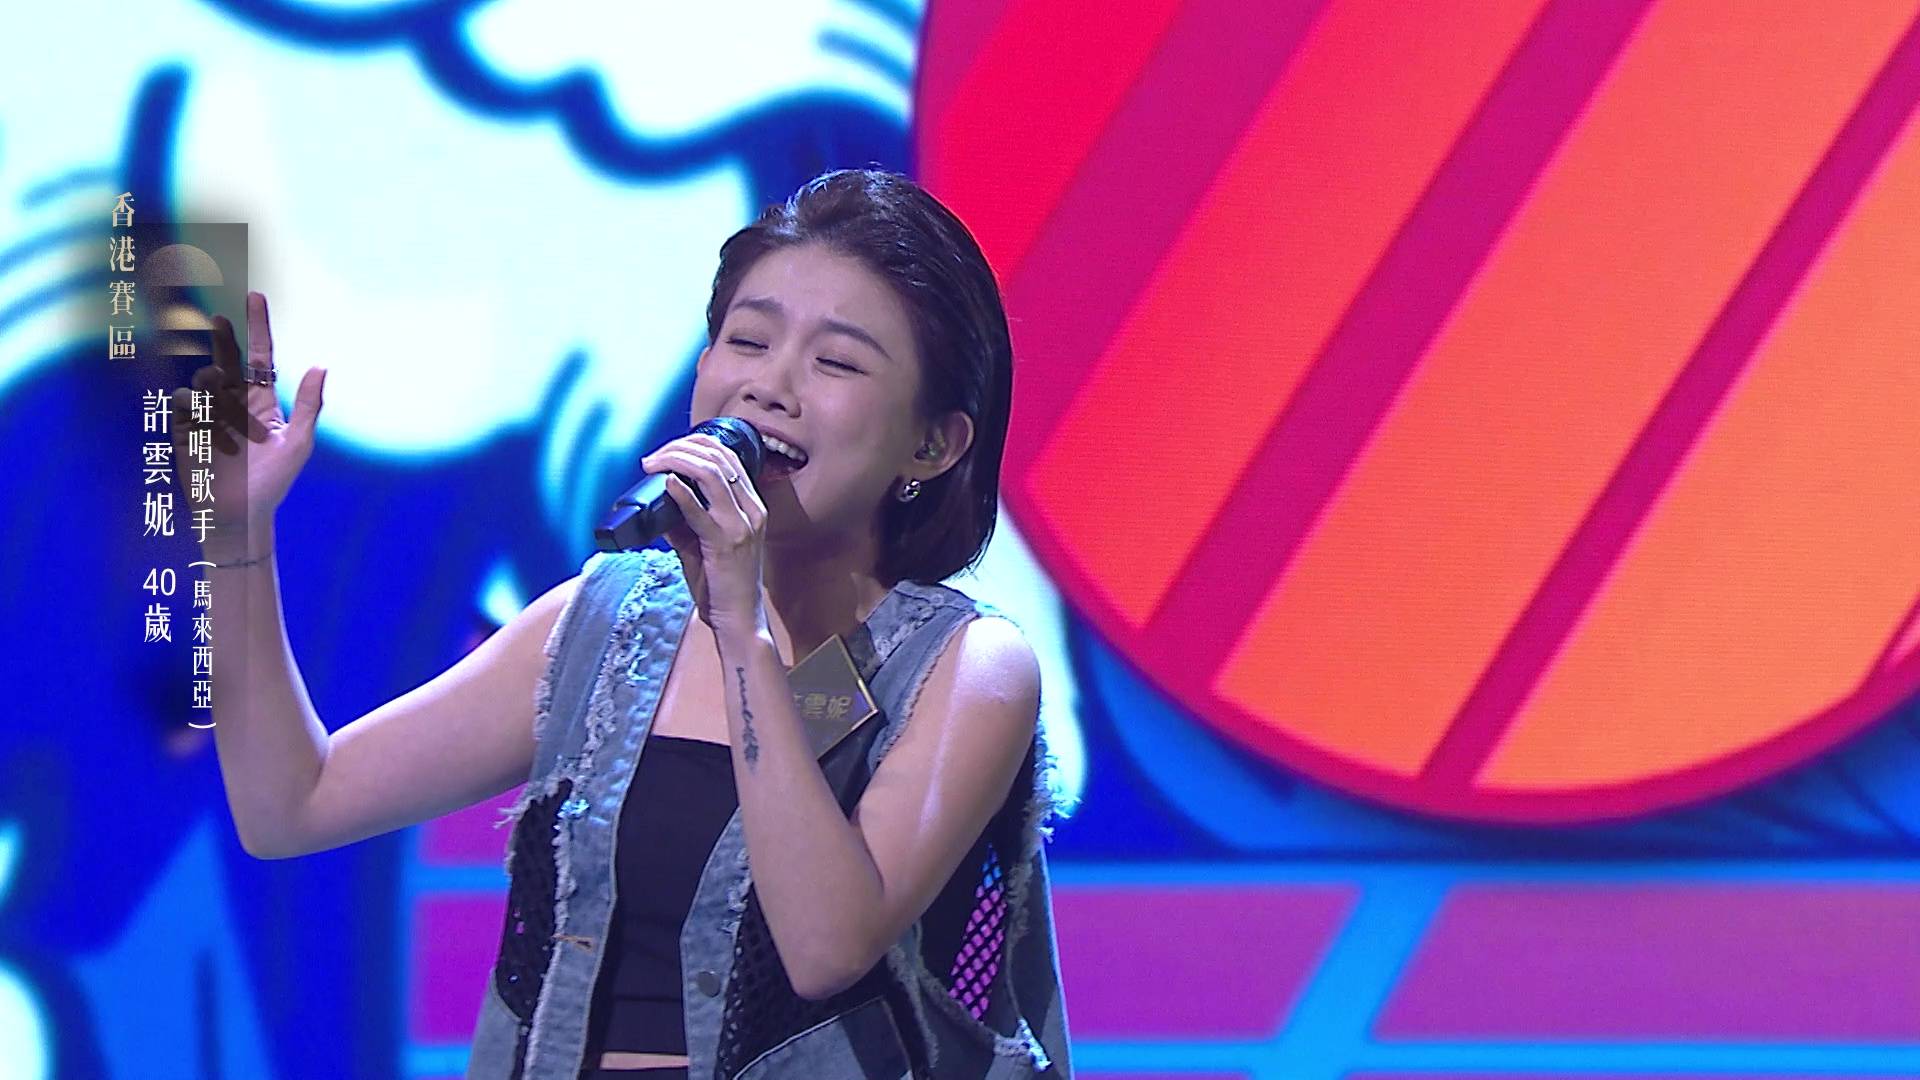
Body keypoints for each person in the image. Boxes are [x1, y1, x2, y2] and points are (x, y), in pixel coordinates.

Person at [177, 168, 1072, 1079]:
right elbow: (291, 805)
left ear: (933, 443)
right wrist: (238, 538)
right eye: (747, 341)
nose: (770, 386)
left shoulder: (962, 666)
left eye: (836, 362)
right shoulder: (607, 627)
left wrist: (740, 628)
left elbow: (824, 947)